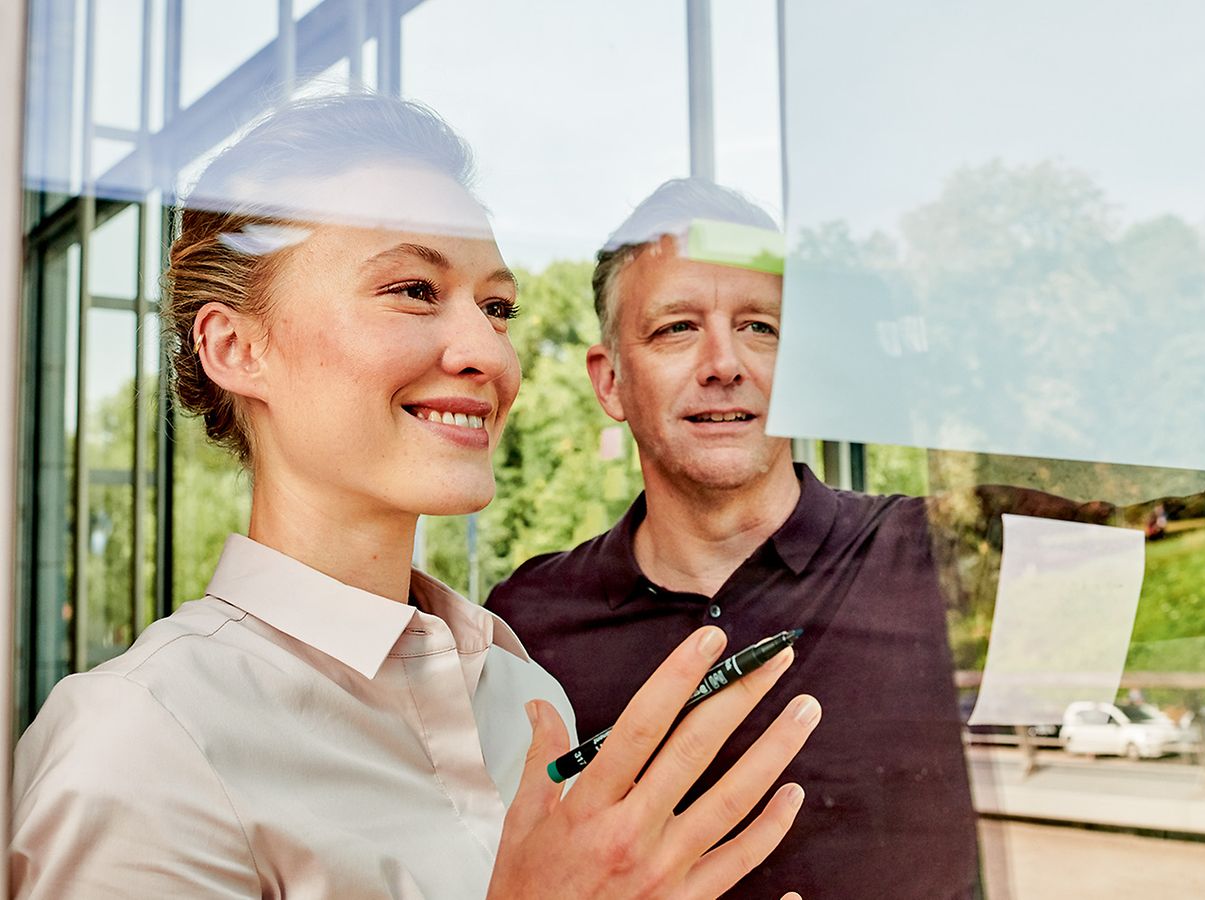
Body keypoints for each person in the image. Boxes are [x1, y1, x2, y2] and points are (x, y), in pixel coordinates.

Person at [9, 97, 821, 899]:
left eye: (497, 308)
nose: (488, 354)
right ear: (237, 347)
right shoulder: (143, 737)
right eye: (413, 290)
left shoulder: (523, 699)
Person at [488, 179, 992, 899]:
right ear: (611, 383)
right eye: (676, 329)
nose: (725, 364)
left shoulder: (940, 552)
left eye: (761, 327)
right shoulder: (522, 623)